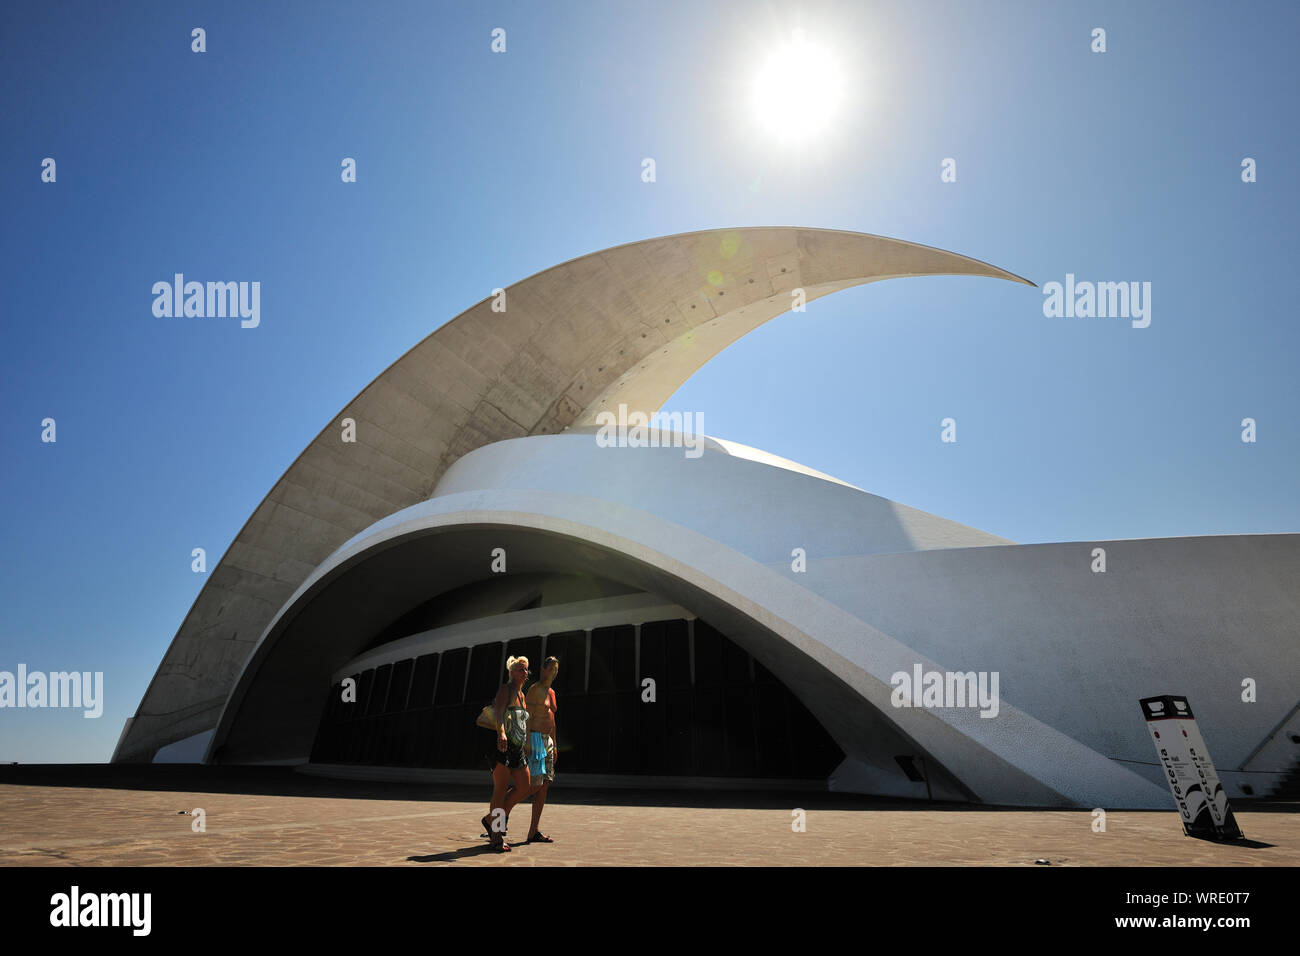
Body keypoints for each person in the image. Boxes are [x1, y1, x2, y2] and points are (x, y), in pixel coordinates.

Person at [482, 655, 531, 852]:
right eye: (520, 669)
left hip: (517, 747)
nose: (524, 672)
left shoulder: (522, 695)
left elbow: (523, 723)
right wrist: (501, 733)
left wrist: (527, 745)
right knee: (500, 790)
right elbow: (500, 712)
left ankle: (491, 819)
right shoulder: (506, 689)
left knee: (525, 787)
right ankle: (496, 835)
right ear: (511, 671)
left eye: (526, 669)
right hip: (503, 745)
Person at [520, 656, 559, 843]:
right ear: (543, 669)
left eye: (556, 669)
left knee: (544, 786)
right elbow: (526, 717)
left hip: (548, 742)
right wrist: (527, 742)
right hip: (535, 739)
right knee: (532, 786)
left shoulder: (551, 693)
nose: (553, 672)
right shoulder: (535, 690)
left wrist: (555, 743)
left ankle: (533, 831)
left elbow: (552, 721)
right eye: (551, 668)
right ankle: (499, 812)